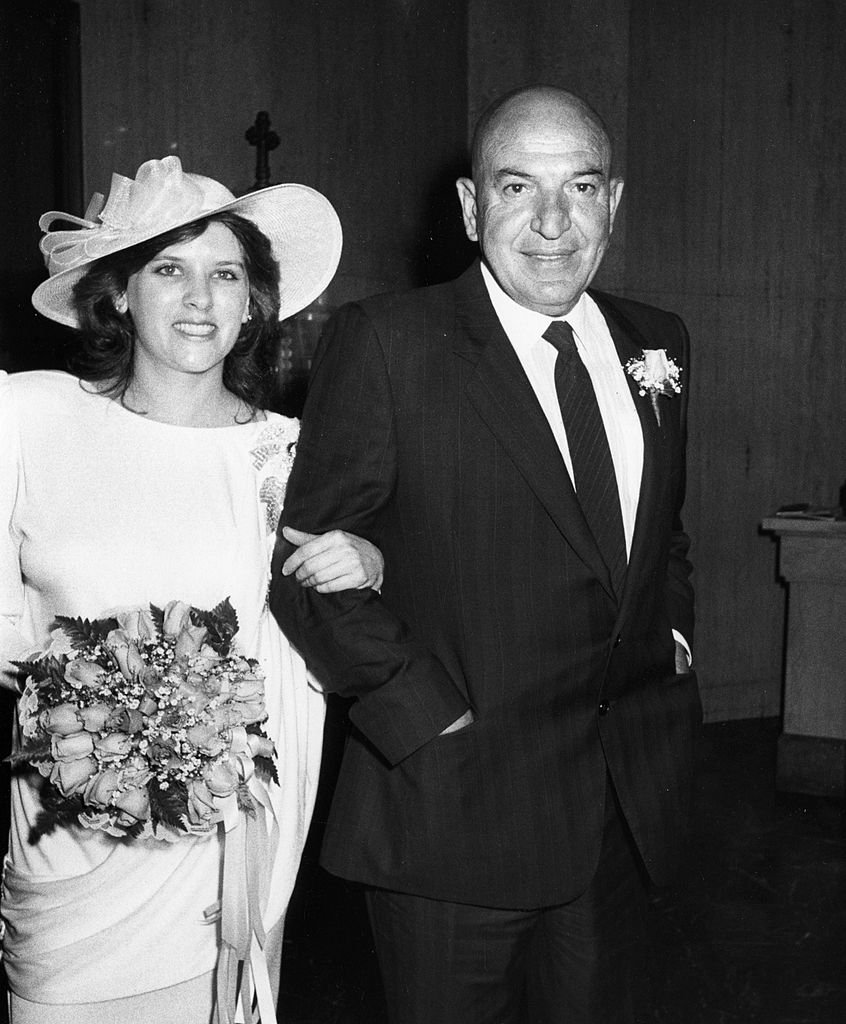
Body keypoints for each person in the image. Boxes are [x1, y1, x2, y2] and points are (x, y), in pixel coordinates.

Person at [270, 84, 701, 1023]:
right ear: (471, 208)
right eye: (517, 188)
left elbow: (661, 532)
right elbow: (306, 566)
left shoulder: (655, 342)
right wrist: (422, 715)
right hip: (453, 820)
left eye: (581, 188)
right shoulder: (387, 344)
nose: (552, 222)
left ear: (613, 203)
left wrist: (671, 641)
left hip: (619, 816)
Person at [0, 155, 384, 1024]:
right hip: (70, 845)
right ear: (120, 295)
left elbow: (332, 636)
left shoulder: (292, 457)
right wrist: (94, 707)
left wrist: (367, 561)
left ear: (253, 303)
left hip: (221, 856)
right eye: (169, 269)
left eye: (226, 275)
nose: (199, 298)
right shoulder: (28, 419)